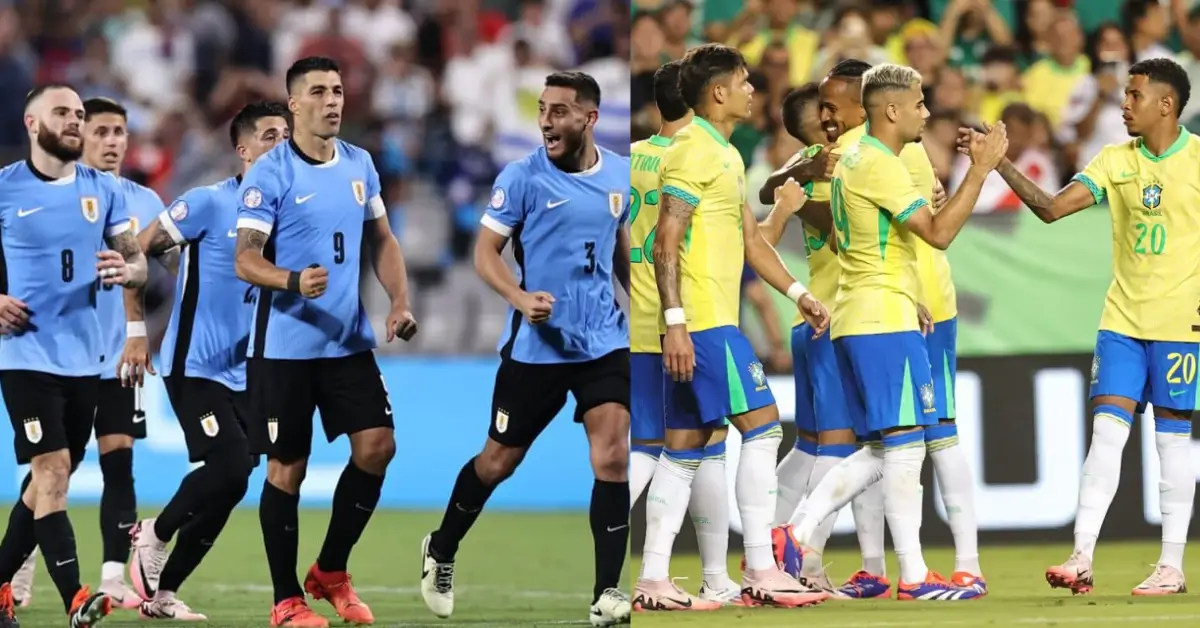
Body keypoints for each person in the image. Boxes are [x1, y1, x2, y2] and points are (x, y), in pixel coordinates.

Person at [959, 57, 1198, 597]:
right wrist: (998, 164)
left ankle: (1172, 565)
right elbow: (1047, 208)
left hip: (1181, 324)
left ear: (1166, 104)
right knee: (1106, 439)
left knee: (1172, 446)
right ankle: (1082, 555)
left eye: (1134, 95)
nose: (1124, 104)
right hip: (1121, 321)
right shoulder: (1115, 160)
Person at [418, 71, 632, 627]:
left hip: (604, 341)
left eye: (559, 111)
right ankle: (441, 547)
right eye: (541, 109)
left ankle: (607, 595)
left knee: (611, 455)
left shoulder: (619, 176)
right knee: (498, 462)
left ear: (589, 118)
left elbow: (621, 254)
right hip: (537, 346)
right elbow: (485, 251)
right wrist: (517, 295)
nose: (545, 121)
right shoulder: (522, 177)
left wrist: (656, 316)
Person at [635, 43, 830, 610]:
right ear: (718, 92)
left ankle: (651, 578)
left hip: (702, 318)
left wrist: (800, 293)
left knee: (685, 446)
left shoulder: (723, 153)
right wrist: (675, 322)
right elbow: (666, 241)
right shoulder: (696, 151)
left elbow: (749, 241)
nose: (752, 90)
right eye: (744, 81)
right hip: (704, 321)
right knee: (765, 427)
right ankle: (762, 570)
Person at [235, 57, 418, 628]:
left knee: (377, 447)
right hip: (284, 350)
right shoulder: (271, 173)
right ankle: (285, 599)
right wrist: (291, 279)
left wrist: (400, 302)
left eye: (337, 90)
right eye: (318, 92)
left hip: (346, 342)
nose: (333, 100)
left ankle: (331, 570)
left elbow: (382, 240)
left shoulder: (360, 164)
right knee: (287, 468)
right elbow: (244, 259)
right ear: (294, 106)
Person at [826, 63, 1004, 601]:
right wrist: (980, 172)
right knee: (900, 442)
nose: (828, 117)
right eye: (825, 109)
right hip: (891, 308)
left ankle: (961, 564)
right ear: (888, 107)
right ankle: (888, 567)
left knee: (927, 436)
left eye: (833, 106)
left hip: (921, 302)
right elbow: (933, 227)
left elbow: (926, 212)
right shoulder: (871, 155)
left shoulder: (884, 150)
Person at [117, 101, 290, 620]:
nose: (282, 144)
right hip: (194, 363)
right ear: (243, 150)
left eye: (287, 134)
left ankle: (162, 593)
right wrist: (135, 331)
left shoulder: (289, 214)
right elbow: (135, 247)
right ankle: (154, 532)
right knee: (230, 464)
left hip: (247, 370)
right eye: (269, 136)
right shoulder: (210, 203)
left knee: (235, 481)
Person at [0, 83, 149, 628]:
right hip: (24, 356)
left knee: (47, 483)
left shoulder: (102, 191)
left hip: (87, 361)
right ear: (31, 123)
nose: (75, 121)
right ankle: (76, 598)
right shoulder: (4, 189)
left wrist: (126, 268)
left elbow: (136, 264)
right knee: (54, 469)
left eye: (79, 114)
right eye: (62, 112)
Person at [628, 60, 741, 607]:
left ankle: (711, 578)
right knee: (681, 449)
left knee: (687, 444)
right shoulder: (698, 153)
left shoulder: (629, 158)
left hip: (640, 319)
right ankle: (707, 573)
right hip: (680, 320)